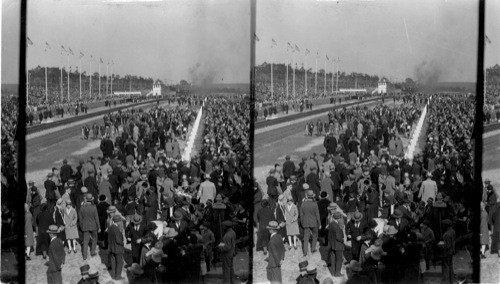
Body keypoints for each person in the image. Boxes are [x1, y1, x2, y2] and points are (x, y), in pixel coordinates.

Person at [80, 193, 100, 260]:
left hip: (85, 226)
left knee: (85, 242)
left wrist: (81, 226)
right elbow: (96, 218)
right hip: (93, 226)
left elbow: (80, 219)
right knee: (94, 239)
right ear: (91, 199)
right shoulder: (94, 207)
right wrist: (99, 227)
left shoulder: (82, 208)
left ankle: (85, 256)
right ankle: (92, 252)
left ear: (86, 199)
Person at [300, 190, 321, 257]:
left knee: (306, 238)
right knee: (315, 236)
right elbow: (317, 214)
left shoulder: (303, 204)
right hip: (314, 222)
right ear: (312, 196)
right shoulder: (315, 204)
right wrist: (319, 223)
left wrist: (302, 222)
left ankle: (305, 252)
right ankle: (313, 249)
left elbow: (301, 215)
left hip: (306, 222)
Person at [327, 211, 344, 277]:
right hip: (338, 245)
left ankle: (333, 272)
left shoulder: (331, 224)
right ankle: (337, 273)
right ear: (338, 218)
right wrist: (342, 240)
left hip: (332, 244)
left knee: (333, 259)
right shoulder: (337, 226)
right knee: (339, 259)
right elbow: (338, 237)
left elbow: (329, 235)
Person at [108, 214, 125, 280]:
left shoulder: (110, 227)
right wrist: (122, 243)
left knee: (113, 262)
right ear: (118, 221)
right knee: (119, 263)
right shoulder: (116, 229)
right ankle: (118, 277)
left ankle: (113, 275)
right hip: (118, 249)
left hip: (111, 247)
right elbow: (118, 240)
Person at [438, 219, 455, 284]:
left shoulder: (446, 234)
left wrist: (440, 245)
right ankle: (451, 281)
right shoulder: (452, 231)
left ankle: (446, 281)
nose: (442, 226)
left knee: (446, 268)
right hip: (451, 252)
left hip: (447, 253)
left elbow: (447, 246)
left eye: (443, 225)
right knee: (450, 266)